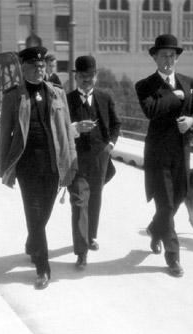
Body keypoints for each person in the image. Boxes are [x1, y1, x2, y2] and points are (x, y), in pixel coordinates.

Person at [0, 46, 77, 290]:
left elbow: (67, 131)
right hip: (27, 166)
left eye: (42, 66)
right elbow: (4, 136)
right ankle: (43, 268)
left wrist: (71, 160)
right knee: (34, 215)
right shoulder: (13, 96)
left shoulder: (57, 93)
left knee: (44, 214)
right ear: (23, 68)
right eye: (33, 66)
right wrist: (5, 168)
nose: (39, 70)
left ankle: (33, 242)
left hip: (53, 166)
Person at [135, 34, 193, 277]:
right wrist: (174, 97)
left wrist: (191, 121)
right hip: (158, 155)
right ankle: (173, 257)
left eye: (172, 55)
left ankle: (155, 228)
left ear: (177, 58)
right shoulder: (145, 85)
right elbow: (151, 110)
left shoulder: (189, 82)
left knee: (179, 196)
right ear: (154, 57)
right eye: (163, 55)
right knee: (164, 202)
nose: (168, 60)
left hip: (181, 152)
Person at [66, 56, 121, 269]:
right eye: (82, 76)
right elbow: (59, 130)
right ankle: (81, 252)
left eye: (90, 75)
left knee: (95, 199)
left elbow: (116, 124)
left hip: (100, 158)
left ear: (96, 76)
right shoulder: (67, 100)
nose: (87, 79)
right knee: (80, 203)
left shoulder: (104, 97)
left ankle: (90, 237)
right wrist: (75, 128)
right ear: (76, 77)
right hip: (77, 159)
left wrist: (111, 145)